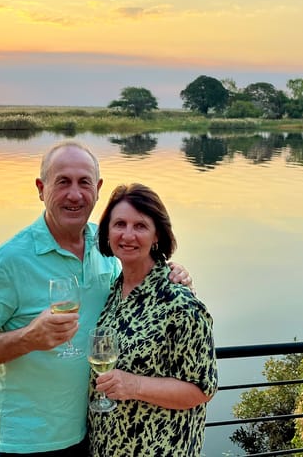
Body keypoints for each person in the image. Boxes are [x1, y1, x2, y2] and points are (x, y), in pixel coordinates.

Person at [0, 140, 193, 456]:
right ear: (41, 188)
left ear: (98, 189)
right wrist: (29, 337)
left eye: (84, 183)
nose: (75, 194)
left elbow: (137, 278)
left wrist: (172, 272)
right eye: (62, 182)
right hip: (31, 442)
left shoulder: (106, 246)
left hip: (95, 431)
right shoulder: (8, 261)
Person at [88, 183, 218, 456]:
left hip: (158, 448)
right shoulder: (115, 290)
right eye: (119, 224)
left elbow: (202, 389)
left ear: (157, 234)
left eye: (140, 226)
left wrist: (134, 385)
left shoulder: (180, 304)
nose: (128, 235)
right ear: (107, 232)